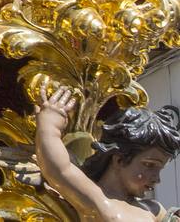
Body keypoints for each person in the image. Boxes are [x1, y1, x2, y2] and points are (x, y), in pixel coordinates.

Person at [36, 86, 180, 221]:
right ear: (119, 160)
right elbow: (60, 170)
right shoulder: (98, 199)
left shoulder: (153, 210)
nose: (157, 179)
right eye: (149, 165)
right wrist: (49, 126)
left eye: (159, 169)